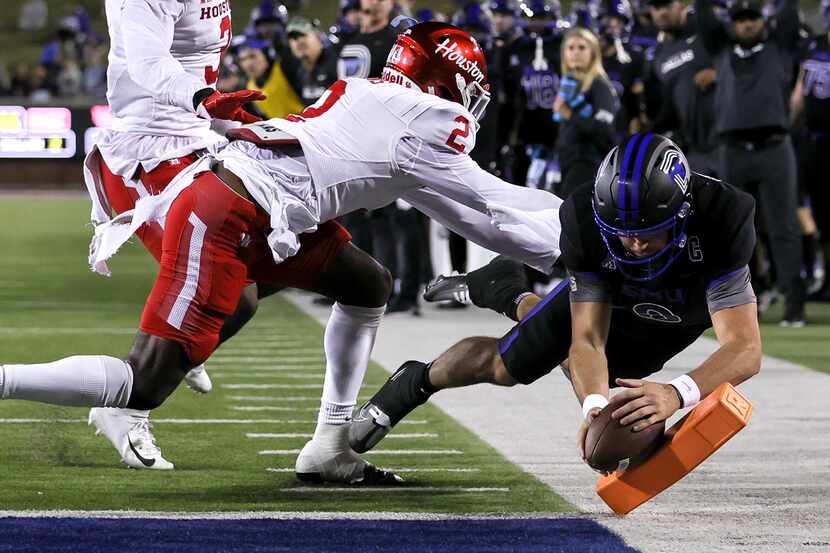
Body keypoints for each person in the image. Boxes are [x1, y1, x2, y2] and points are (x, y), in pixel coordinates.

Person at [1, 22, 562, 483]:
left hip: (265, 212)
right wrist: (585, 242)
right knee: (143, 380)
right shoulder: (422, 121)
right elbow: (493, 203)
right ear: (448, 84)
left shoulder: (384, 106)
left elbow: (467, 213)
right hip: (227, 213)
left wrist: (562, 249)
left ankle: (329, 447)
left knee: (366, 283)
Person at [350, 134, 762, 469]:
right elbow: (587, 340)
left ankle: (508, 291)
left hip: (677, 312)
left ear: (683, 213)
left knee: (619, 377)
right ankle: (415, 381)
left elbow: (744, 348)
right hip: (611, 290)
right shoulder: (584, 218)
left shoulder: (723, 217)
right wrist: (596, 411)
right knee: (505, 366)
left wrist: (676, 393)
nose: (634, 243)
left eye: (649, 231)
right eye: (621, 231)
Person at [696, 0, 806, 325]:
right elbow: (703, 16)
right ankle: (745, 305)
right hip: (732, 150)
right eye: (740, 20)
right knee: (736, 231)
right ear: (732, 24)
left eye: (752, 19)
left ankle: (794, 305)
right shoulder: (721, 50)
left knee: (784, 226)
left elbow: (789, 11)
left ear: (763, 21)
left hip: (775, 147)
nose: (746, 25)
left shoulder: (781, 46)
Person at [641, 0, 720, 177]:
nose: (661, 12)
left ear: (681, 5)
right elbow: (665, 110)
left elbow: (742, 57)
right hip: (692, 151)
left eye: (667, 5)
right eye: (656, 7)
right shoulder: (658, 57)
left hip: (727, 142)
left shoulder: (706, 30)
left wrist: (719, 74)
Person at [789, 0, 830, 301]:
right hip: (813, 141)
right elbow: (799, 92)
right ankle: (825, 276)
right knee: (820, 212)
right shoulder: (813, 45)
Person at [552, 27, 619, 198]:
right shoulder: (569, 85)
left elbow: (605, 131)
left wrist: (570, 114)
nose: (575, 53)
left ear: (593, 54)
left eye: (582, 48)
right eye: (570, 48)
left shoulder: (600, 86)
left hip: (588, 164)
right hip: (567, 162)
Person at [236, 36, 305, 119]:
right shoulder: (248, 88)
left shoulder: (286, 68)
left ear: (266, 55)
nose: (248, 64)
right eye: (242, 59)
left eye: (252, 56)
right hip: (282, 130)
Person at [285, 17, 339, 106]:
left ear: (318, 36)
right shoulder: (298, 71)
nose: (299, 41)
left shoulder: (335, 61)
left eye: (303, 35)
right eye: (294, 38)